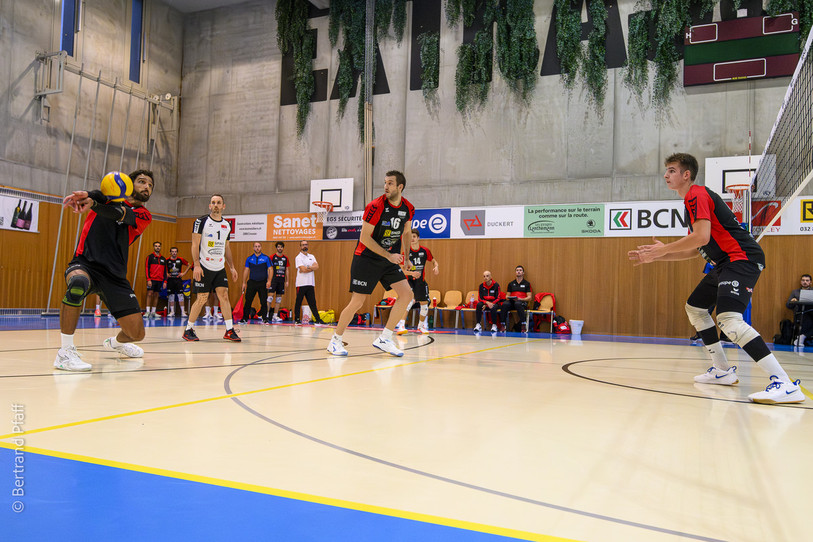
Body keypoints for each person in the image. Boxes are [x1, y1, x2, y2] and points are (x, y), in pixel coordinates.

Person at [629, 152, 804, 404]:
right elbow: (697, 247)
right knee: (696, 308)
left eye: (671, 170)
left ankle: (785, 383)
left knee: (729, 319)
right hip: (724, 263)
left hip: (741, 258)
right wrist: (657, 257)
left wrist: (664, 249)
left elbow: (699, 237)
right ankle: (722, 370)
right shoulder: (690, 202)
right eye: (666, 170)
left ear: (686, 174)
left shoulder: (697, 194)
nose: (666, 175)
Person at [54, 169, 155, 371]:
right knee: (78, 283)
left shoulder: (143, 215)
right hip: (85, 264)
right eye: (142, 182)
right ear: (128, 184)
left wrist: (94, 204)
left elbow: (118, 213)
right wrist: (86, 196)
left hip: (114, 275)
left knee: (137, 334)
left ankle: (116, 344)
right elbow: (96, 195)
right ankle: (65, 353)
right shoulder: (105, 198)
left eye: (150, 185)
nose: (147, 187)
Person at [328, 171, 415, 357]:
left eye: (390, 183)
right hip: (366, 258)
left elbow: (407, 232)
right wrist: (389, 255)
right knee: (357, 302)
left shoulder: (408, 208)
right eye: (385, 182)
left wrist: (407, 258)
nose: (386, 186)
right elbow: (364, 238)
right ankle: (335, 340)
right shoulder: (375, 206)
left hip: (388, 259)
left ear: (400, 187)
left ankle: (385, 338)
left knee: (407, 294)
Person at [182, 194, 240, 342]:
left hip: (219, 267)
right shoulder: (201, 222)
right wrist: (196, 265)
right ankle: (188, 329)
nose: (215, 205)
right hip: (204, 266)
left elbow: (227, 247)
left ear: (223, 206)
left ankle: (229, 330)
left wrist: (232, 267)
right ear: (209, 206)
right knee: (202, 298)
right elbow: (195, 244)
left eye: (218, 203)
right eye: (213, 202)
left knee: (224, 296)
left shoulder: (227, 225)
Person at [394, 230, 438, 334]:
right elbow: (401, 270)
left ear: (418, 238)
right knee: (408, 301)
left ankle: (421, 326)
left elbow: (434, 261)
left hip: (420, 281)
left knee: (424, 304)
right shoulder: (406, 253)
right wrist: (411, 273)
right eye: (410, 237)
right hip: (408, 281)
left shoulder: (425, 251)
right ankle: (401, 326)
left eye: (414, 236)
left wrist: (436, 267)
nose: (412, 239)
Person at [293, 240, 326, 325]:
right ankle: (297, 319)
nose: (305, 246)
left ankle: (318, 320)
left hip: (310, 283)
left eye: (306, 244)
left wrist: (307, 267)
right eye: (303, 245)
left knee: (312, 303)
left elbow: (316, 266)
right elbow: (302, 269)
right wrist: (311, 268)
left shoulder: (312, 256)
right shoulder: (298, 257)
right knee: (298, 302)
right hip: (301, 283)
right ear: (300, 247)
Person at [240, 242, 272, 324]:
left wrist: (269, 281)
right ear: (253, 248)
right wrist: (244, 283)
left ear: (261, 247)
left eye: (259, 246)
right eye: (256, 246)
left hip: (263, 282)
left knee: (263, 301)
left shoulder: (266, 258)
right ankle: (245, 318)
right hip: (252, 282)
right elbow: (246, 270)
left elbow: (270, 269)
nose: (257, 248)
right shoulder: (249, 258)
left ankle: (264, 318)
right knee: (248, 301)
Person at [500, 265, 533, 332]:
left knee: (517, 303)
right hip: (512, 302)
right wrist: (510, 298)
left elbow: (529, 298)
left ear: (523, 273)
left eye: (520, 270)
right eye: (517, 270)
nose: (519, 272)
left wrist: (520, 299)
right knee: (505, 304)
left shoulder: (527, 284)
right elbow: (507, 296)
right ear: (515, 272)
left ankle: (523, 324)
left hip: (521, 302)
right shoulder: (511, 284)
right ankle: (503, 324)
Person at [787, 273, 813, 346]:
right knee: (807, 319)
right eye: (803, 280)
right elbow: (788, 305)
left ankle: (802, 336)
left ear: (810, 282)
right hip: (800, 313)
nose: (805, 282)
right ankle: (802, 338)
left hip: (811, 312)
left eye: (807, 280)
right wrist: (793, 301)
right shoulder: (795, 292)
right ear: (800, 282)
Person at [268, 241, 290, 323]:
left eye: (281, 247)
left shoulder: (285, 258)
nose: (280, 248)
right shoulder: (272, 257)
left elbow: (287, 270)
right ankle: (266, 315)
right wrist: (269, 280)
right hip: (273, 280)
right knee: (270, 298)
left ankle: (275, 316)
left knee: (278, 299)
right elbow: (269, 268)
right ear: (276, 248)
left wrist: (287, 281)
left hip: (281, 280)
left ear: (283, 248)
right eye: (278, 247)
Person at [144, 241, 166, 318]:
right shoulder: (149, 257)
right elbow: (147, 268)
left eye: (159, 246)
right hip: (151, 279)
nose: (157, 247)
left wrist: (165, 281)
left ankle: (153, 312)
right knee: (149, 293)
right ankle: (147, 312)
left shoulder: (163, 259)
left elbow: (165, 271)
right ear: (154, 247)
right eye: (156, 246)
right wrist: (148, 279)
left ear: (160, 247)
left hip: (159, 280)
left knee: (156, 295)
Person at [165, 246, 190, 317]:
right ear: (170, 253)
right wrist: (166, 274)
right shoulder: (167, 260)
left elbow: (189, 265)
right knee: (171, 295)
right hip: (170, 280)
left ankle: (183, 312)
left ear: (177, 252)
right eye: (172, 251)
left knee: (180, 295)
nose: (174, 253)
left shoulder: (180, 259)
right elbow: (162, 268)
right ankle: (172, 311)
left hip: (178, 280)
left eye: (175, 251)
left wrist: (183, 273)